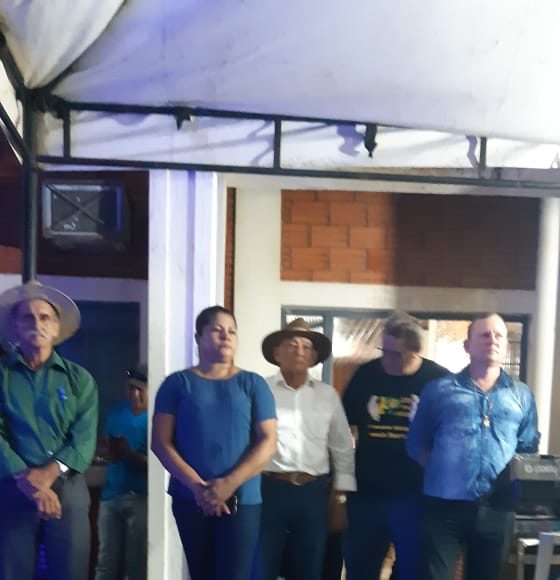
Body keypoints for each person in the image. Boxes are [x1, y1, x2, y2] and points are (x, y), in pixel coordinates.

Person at [407, 312, 540, 580]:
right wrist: (445, 473)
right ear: (467, 346)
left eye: (499, 335)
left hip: (497, 510)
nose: (493, 340)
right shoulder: (438, 390)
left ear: (506, 344)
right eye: (484, 335)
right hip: (444, 509)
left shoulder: (522, 395)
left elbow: (527, 450)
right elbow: (416, 443)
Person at [151, 305, 277, 580]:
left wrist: (228, 484)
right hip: (190, 498)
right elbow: (160, 443)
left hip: (242, 499)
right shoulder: (176, 384)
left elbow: (268, 441)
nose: (226, 336)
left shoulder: (253, 384)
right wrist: (199, 488)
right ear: (198, 337)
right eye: (217, 330)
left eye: (232, 331)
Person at [0, 280, 98, 580]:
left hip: (68, 490)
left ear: (56, 328)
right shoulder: (2, 376)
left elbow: (84, 438)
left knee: (71, 573)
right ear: (15, 326)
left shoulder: (79, 379)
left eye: (45, 317)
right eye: (28, 317)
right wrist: (29, 481)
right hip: (13, 488)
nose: (37, 324)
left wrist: (48, 474)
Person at [342, 311, 449, 580]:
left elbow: (449, 435)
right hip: (367, 494)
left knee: (412, 570)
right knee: (360, 569)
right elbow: (344, 426)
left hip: (416, 495)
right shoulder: (366, 375)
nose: (387, 359)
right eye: (384, 351)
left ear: (415, 350)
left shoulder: (438, 381)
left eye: (395, 354)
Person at [258, 318, 356, 580]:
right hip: (270, 490)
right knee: (262, 565)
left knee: (310, 567)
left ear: (314, 357)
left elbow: (342, 447)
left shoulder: (327, 395)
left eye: (307, 346)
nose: (300, 351)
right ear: (277, 353)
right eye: (292, 344)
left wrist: (340, 496)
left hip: (313, 493)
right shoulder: (261, 390)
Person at [95, 364, 149, 580]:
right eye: (130, 388)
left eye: (140, 389)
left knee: (135, 565)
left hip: (140, 497)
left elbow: (157, 465)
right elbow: (102, 446)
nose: (134, 394)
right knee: (105, 562)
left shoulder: (155, 418)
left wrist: (129, 454)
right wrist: (108, 451)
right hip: (110, 495)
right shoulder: (117, 411)